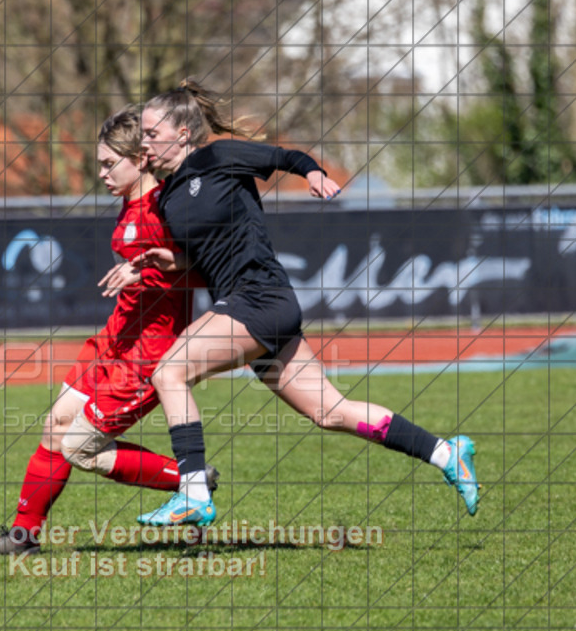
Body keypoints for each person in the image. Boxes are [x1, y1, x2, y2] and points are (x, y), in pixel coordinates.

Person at [131, 79, 480, 527]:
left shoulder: (217, 157)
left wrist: (313, 173)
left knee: (170, 371)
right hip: (250, 307)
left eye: (150, 132)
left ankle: (193, 493)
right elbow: (209, 254)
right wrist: (174, 259)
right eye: (142, 134)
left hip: (259, 299)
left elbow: (286, 157)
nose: (145, 142)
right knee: (330, 412)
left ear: (182, 133)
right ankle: (447, 453)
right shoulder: (170, 195)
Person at [0, 107, 216, 556]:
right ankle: (22, 539)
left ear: (141, 158)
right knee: (54, 425)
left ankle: (192, 480)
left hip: (147, 354)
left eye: (107, 163)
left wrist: (142, 274)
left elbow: (205, 270)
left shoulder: (168, 207)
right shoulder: (131, 201)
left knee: (81, 448)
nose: (100, 173)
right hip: (114, 339)